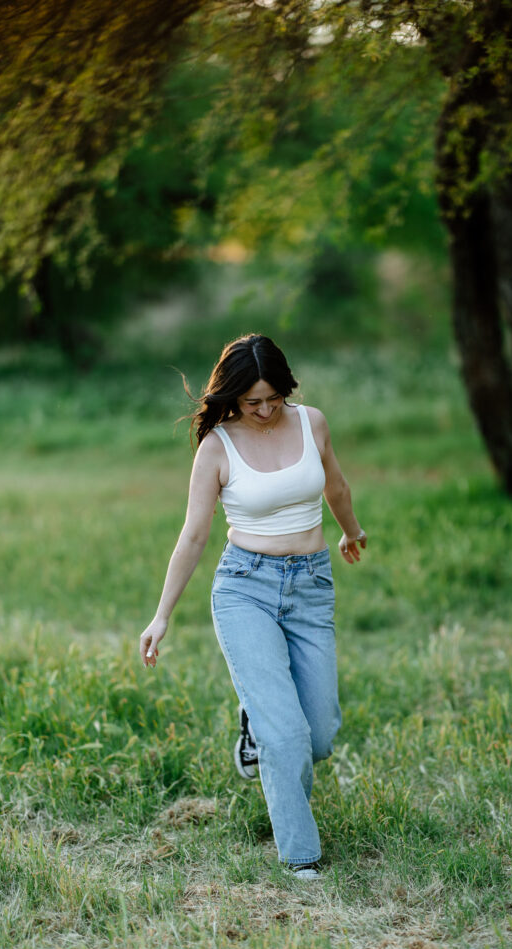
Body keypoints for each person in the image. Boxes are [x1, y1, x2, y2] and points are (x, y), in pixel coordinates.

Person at [139, 334, 366, 879]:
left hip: (311, 585)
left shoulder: (311, 422)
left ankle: (253, 723)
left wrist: (351, 531)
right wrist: (162, 615)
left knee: (319, 732)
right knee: (284, 736)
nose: (265, 411)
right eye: (252, 401)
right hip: (246, 587)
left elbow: (334, 484)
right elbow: (194, 535)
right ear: (233, 396)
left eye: (273, 398)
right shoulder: (218, 447)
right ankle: (300, 856)